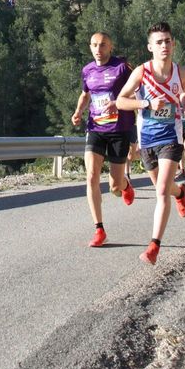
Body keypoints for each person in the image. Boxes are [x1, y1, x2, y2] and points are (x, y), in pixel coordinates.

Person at [117, 22, 185, 265]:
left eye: (167, 41)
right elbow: (121, 101)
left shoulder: (181, 72)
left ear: (173, 43)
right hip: (147, 138)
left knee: (161, 191)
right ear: (150, 47)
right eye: (159, 42)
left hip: (171, 136)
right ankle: (180, 193)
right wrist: (146, 104)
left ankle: (154, 247)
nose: (164, 46)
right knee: (166, 187)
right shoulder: (141, 72)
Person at [71, 33, 136, 248]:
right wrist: (78, 111)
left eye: (103, 45)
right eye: (95, 45)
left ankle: (125, 185)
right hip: (95, 128)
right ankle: (99, 229)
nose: (98, 49)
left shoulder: (122, 68)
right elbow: (85, 94)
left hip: (119, 129)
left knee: (115, 187)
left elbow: (137, 93)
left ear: (111, 47)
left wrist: (118, 103)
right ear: (90, 47)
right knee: (91, 175)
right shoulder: (87, 70)